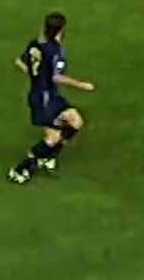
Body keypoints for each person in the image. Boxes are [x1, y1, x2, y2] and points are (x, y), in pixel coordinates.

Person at [8, 12, 95, 185]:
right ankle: (21, 169)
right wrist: (81, 85)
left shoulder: (35, 44)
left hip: (48, 95)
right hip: (44, 99)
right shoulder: (56, 51)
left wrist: (36, 78)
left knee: (76, 122)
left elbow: (19, 62)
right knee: (53, 137)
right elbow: (57, 77)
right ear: (61, 30)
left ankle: (48, 156)